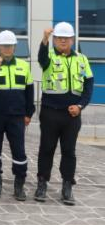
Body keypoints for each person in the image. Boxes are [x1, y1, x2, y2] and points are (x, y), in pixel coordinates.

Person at [35, 22, 93, 205]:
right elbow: (41, 58)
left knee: (69, 151)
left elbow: (88, 86)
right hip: (50, 113)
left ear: (72, 40)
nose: (63, 41)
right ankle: (42, 184)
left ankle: (67, 186)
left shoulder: (82, 59)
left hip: (72, 115)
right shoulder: (49, 56)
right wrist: (44, 40)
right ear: (54, 40)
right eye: (59, 38)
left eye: (66, 38)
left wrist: (80, 106)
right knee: (46, 149)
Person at [0, 30, 34, 201]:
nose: (7, 49)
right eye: (4, 46)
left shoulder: (24, 65)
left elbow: (29, 91)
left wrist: (29, 113)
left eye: (10, 46)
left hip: (17, 116)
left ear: (14, 47)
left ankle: (19, 185)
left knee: (19, 151)